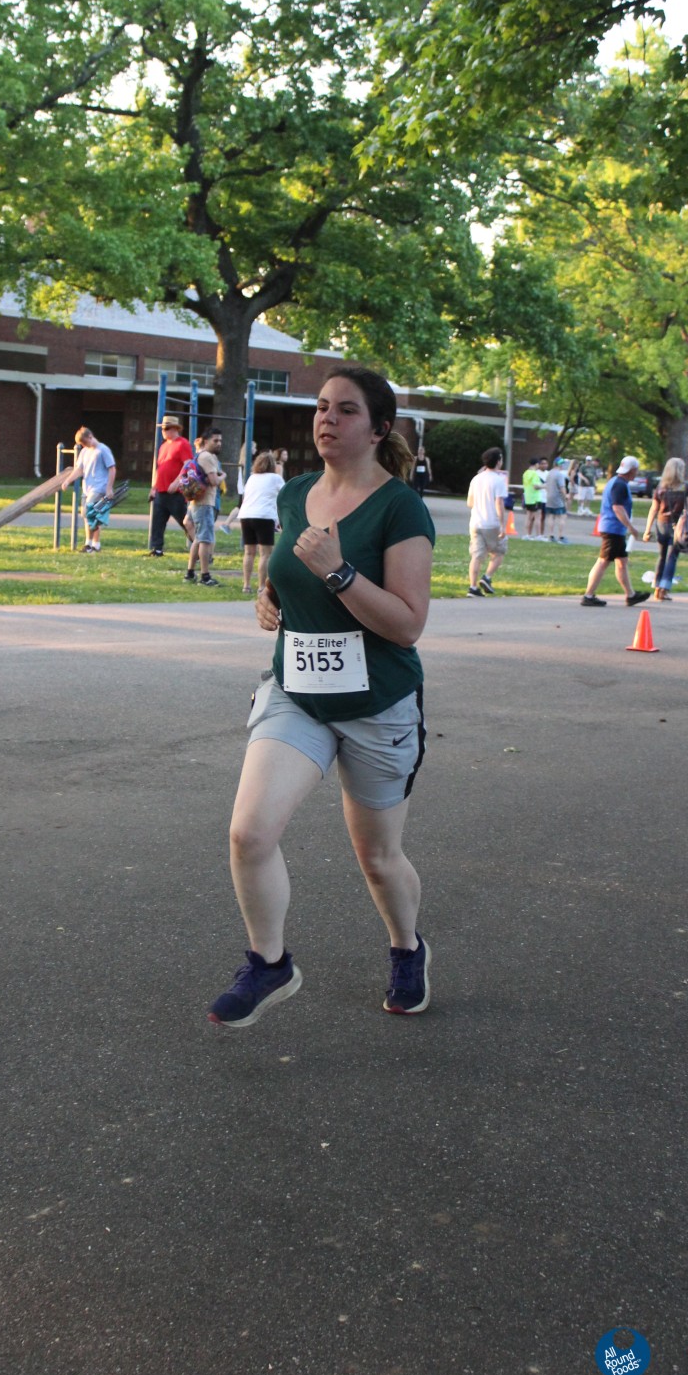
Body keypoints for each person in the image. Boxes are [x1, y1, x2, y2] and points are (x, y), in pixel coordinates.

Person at [207, 364, 435, 1028]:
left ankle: (407, 947)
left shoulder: (400, 508)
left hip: (377, 706)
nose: (327, 419)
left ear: (379, 428)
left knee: (378, 858)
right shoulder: (294, 493)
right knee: (249, 832)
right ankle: (269, 963)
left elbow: (407, 624)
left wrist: (338, 573)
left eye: (346, 410)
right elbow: (286, 574)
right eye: (322, 407)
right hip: (296, 694)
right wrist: (268, 598)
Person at [580, 455, 652, 608]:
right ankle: (588, 595)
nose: (636, 473)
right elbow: (617, 508)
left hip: (615, 529)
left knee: (621, 562)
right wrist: (631, 527)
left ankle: (631, 595)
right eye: (636, 470)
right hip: (612, 528)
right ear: (631, 470)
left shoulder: (617, 482)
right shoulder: (619, 485)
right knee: (603, 561)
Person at [642, 457, 688, 601]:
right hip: (678, 525)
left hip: (661, 523)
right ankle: (664, 589)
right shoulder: (685, 487)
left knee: (662, 556)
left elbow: (653, 509)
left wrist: (647, 529)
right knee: (672, 556)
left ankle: (656, 586)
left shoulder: (661, 487)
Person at [238, 450, 286, 594]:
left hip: (246, 515)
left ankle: (246, 585)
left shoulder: (252, 478)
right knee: (265, 554)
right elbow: (284, 494)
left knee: (249, 552)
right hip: (264, 516)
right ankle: (261, 586)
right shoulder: (275, 478)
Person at [147, 415, 195, 556]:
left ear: (175, 429)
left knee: (185, 522)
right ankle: (157, 549)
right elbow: (160, 468)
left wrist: (177, 482)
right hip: (161, 491)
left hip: (176, 493)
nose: (164, 431)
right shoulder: (163, 446)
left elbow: (188, 465)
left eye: (167, 428)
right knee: (157, 523)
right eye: (163, 428)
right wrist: (153, 487)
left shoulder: (182, 444)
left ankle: (201, 550)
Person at [183, 426, 225, 586]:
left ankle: (190, 573)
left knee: (198, 539)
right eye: (215, 440)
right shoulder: (208, 457)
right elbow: (214, 481)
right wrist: (223, 476)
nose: (219, 443)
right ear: (206, 441)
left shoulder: (200, 455)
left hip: (196, 502)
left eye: (220, 441)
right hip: (205, 503)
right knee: (206, 540)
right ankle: (205, 576)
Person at [465, 446, 508, 597]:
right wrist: (503, 525)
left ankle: (472, 587)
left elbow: (469, 502)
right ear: (498, 461)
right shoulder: (499, 480)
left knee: (477, 556)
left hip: (475, 523)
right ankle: (487, 577)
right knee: (499, 552)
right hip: (492, 523)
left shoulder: (476, 479)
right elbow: (499, 504)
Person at [70, 426, 115, 554]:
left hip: (99, 488)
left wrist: (109, 488)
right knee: (88, 516)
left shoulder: (102, 450)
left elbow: (112, 469)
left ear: (90, 437)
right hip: (87, 489)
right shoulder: (84, 452)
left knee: (89, 514)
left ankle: (94, 544)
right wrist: (68, 480)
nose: (84, 446)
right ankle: (91, 544)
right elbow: (79, 469)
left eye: (84, 443)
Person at [544, 457, 570, 542]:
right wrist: (565, 497)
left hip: (549, 497)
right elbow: (562, 487)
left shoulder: (549, 473)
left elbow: (546, 485)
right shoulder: (559, 475)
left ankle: (551, 535)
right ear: (559, 465)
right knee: (562, 516)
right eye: (562, 464)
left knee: (551, 516)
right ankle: (561, 536)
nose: (563, 466)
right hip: (558, 498)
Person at [522, 458, 543, 539]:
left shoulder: (526, 473)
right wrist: (544, 486)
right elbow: (535, 486)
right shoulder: (534, 474)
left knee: (528, 517)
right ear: (536, 464)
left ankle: (527, 534)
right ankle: (538, 535)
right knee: (538, 517)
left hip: (528, 497)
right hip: (535, 498)